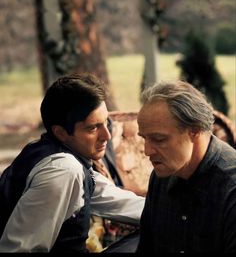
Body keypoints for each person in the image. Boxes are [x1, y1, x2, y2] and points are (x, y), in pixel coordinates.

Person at [0, 73, 145, 253]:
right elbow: (17, 249)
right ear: (61, 132)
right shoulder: (63, 171)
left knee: (160, 229)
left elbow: (119, 201)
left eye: (106, 122)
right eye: (93, 128)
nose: (106, 136)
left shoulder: (59, 155)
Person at [136, 80, 236, 254]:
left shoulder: (231, 189)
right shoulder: (162, 174)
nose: (147, 151)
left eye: (159, 139)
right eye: (144, 138)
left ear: (194, 130)